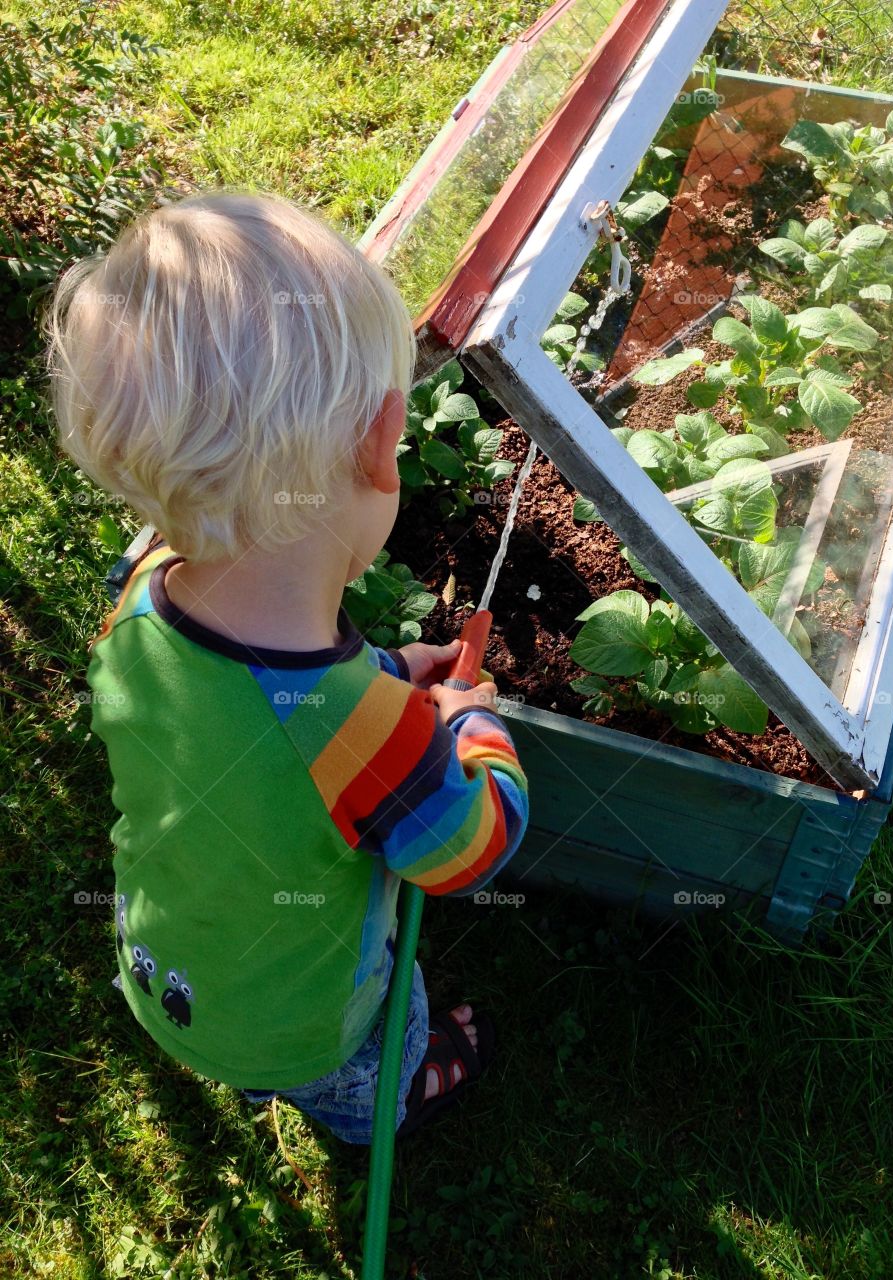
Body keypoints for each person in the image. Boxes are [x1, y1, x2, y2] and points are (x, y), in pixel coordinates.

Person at [44, 190, 530, 1143]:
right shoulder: (370, 733)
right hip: (313, 1030)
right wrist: (471, 719)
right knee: (372, 1069)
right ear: (383, 442)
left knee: (236, 1018)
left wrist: (384, 671)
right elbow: (471, 849)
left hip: (164, 974)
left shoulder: (136, 597)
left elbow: (261, 700)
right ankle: (392, 1093)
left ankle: (261, 1074)